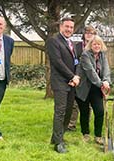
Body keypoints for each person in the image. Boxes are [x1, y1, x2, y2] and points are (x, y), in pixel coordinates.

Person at [47, 17, 80, 153]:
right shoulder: (53, 41)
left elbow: (76, 61)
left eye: (71, 27)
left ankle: (58, 137)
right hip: (60, 82)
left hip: (72, 83)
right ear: (61, 27)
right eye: (66, 26)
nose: (69, 29)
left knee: (68, 111)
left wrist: (76, 77)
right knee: (60, 112)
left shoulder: (71, 43)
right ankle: (58, 143)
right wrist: (71, 76)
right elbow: (57, 62)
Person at [76, 35, 111, 145]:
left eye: (99, 44)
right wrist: (101, 84)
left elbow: (106, 69)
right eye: (94, 44)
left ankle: (98, 136)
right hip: (84, 88)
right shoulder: (85, 55)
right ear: (90, 45)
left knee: (99, 111)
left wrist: (106, 81)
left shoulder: (102, 55)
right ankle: (85, 134)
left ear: (101, 45)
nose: (97, 46)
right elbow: (90, 72)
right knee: (85, 112)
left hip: (96, 89)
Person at [67, 25, 97, 131]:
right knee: (74, 102)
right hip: (77, 77)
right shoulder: (77, 46)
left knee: (87, 103)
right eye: (87, 33)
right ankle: (71, 125)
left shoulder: (96, 46)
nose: (89, 35)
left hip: (90, 79)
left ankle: (85, 124)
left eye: (91, 33)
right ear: (83, 35)